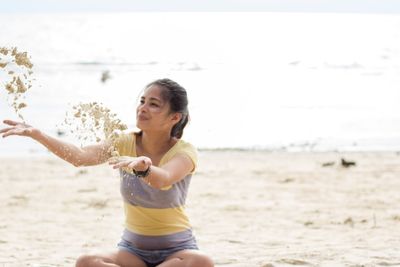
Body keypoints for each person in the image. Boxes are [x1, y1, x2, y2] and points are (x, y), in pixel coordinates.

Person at [0, 78, 214, 267]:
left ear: (174, 118)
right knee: (87, 262)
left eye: (154, 104)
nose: (143, 108)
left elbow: (163, 179)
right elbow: (79, 156)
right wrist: (38, 135)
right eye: (142, 101)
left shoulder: (184, 152)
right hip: (132, 252)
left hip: (177, 252)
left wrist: (143, 168)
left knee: (202, 262)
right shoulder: (123, 142)